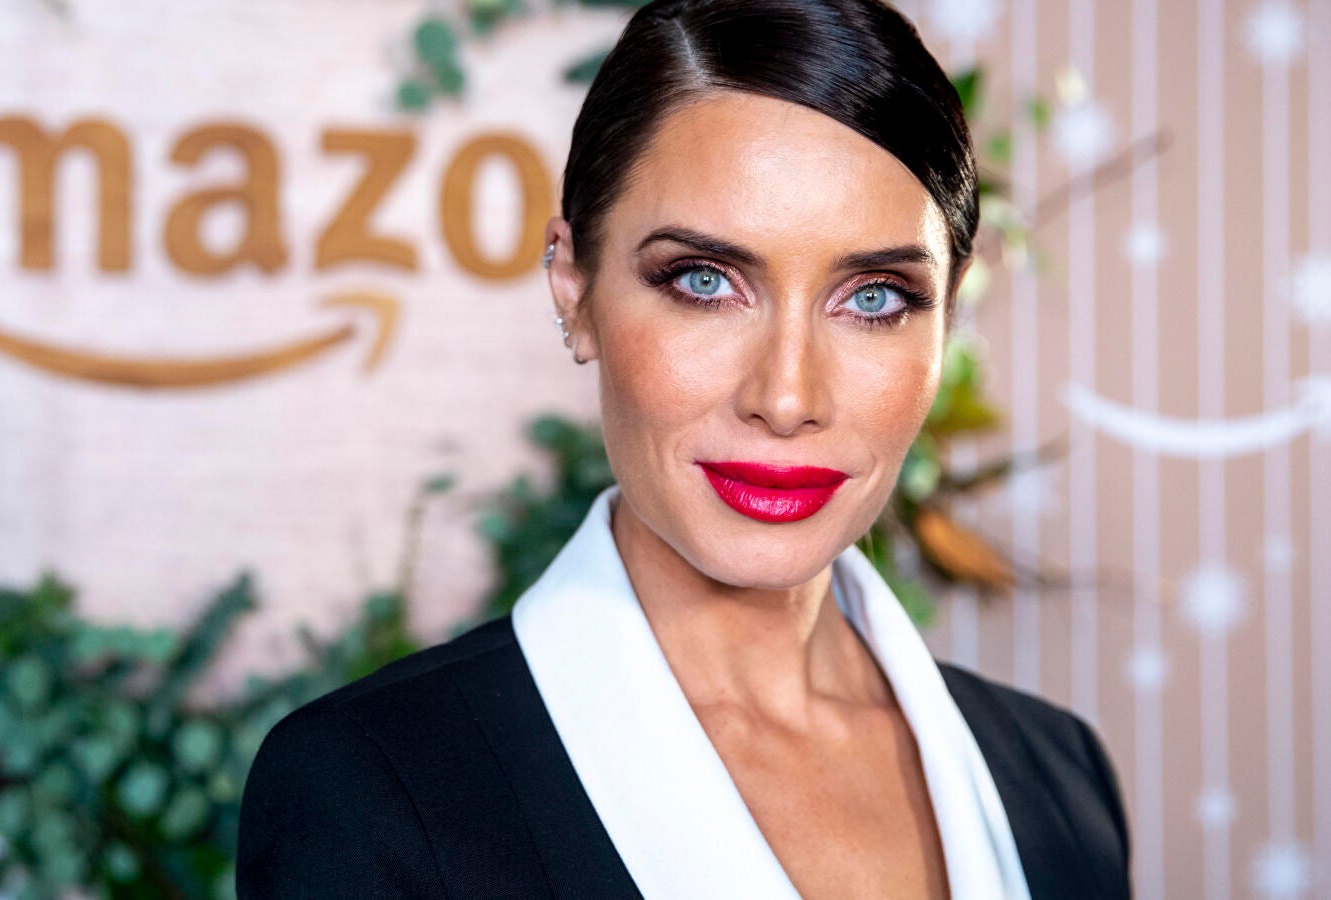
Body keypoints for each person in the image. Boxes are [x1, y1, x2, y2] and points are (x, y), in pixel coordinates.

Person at [237, 0, 1132, 897]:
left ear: (950, 314)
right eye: (704, 281)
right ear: (573, 288)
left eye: (873, 298)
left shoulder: (1059, 783)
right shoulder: (368, 792)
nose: (786, 399)